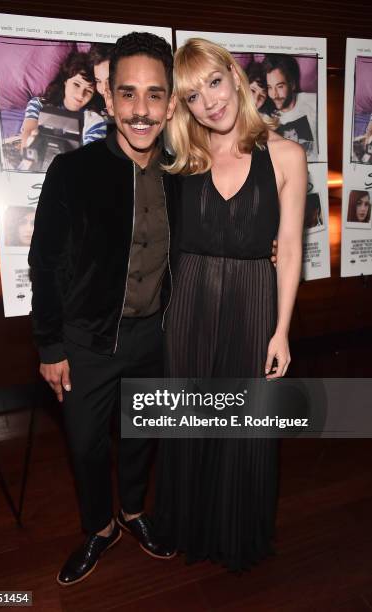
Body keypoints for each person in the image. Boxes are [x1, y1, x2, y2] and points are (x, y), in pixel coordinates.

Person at [28, 32, 179, 586]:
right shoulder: (73, 172)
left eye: (155, 95)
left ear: (170, 102)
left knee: (142, 436)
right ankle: (99, 527)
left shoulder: (184, 176)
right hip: (87, 343)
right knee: (87, 445)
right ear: (108, 98)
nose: (142, 110)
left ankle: (134, 513)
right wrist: (50, 345)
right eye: (129, 94)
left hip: (153, 338)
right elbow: (44, 263)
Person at [154, 38, 307, 572]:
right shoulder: (181, 160)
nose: (209, 102)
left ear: (236, 78)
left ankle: (235, 532)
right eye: (192, 96)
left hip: (252, 299)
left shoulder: (287, 155)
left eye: (213, 83)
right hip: (190, 303)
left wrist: (282, 330)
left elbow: (289, 249)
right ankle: (188, 525)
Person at [21, 51, 106, 157]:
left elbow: (90, 158)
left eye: (88, 90)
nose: (80, 95)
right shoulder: (38, 104)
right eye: (76, 84)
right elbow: (27, 139)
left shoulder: (95, 120)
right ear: (65, 81)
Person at [262, 54, 318, 161]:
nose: (274, 95)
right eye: (270, 87)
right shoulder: (266, 119)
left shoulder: (314, 102)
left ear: (292, 84)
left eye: (280, 87)